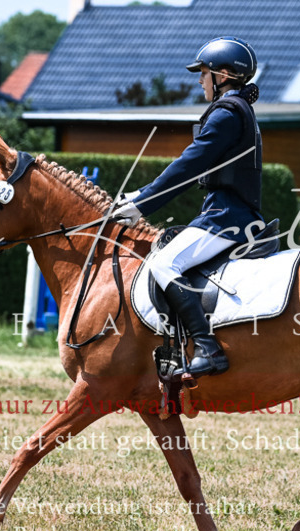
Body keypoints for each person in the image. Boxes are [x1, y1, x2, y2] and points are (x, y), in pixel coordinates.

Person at [112, 36, 263, 379]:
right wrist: (142, 193)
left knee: (164, 263)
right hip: (228, 213)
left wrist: (142, 204)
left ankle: (207, 348)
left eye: (204, 73)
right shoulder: (238, 108)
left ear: (223, 75)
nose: (199, 80)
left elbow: (188, 165)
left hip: (227, 217)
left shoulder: (226, 113)